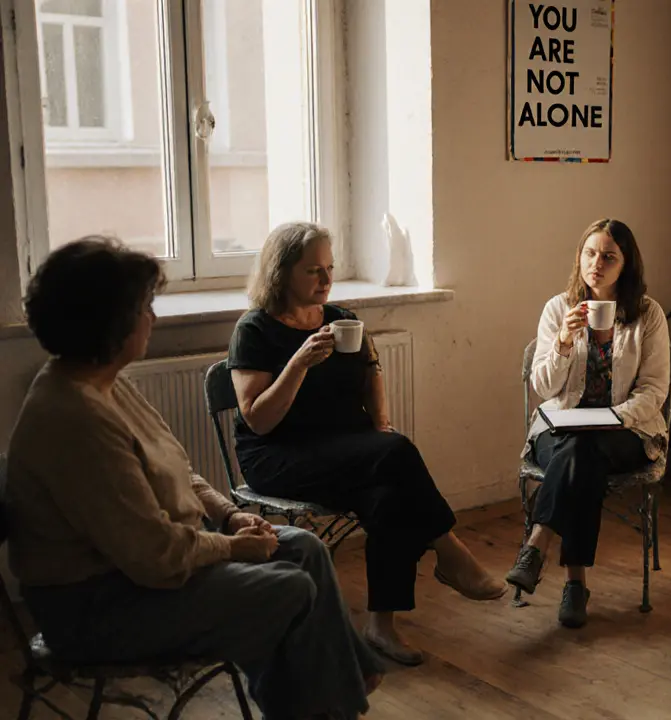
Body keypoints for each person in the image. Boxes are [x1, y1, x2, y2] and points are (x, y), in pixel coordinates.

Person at [6, 238, 383, 720]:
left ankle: (333, 696)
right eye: (145, 307)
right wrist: (230, 547)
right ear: (111, 321)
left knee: (302, 549)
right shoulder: (75, 419)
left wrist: (230, 515)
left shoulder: (106, 382)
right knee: (287, 589)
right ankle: (334, 697)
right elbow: (157, 557)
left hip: (140, 570)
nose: (153, 319)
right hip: (98, 605)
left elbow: (180, 470)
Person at [228, 222, 504, 667]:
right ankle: (451, 551)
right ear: (281, 273)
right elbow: (258, 420)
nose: (325, 280)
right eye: (313, 270)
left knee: (389, 495)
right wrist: (298, 363)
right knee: (395, 452)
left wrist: (380, 422)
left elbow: (371, 367)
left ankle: (381, 627)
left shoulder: (339, 320)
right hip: (279, 456)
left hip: (342, 448)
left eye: (330, 268)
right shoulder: (255, 329)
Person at [504, 218, 670, 628]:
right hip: (561, 431)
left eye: (609, 256)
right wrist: (562, 341)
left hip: (627, 432)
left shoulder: (648, 315)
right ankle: (574, 586)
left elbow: (653, 390)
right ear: (579, 257)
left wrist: (614, 418)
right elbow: (544, 389)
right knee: (581, 452)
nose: (597, 263)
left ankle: (538, 544)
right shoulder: (558, 308)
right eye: (590, 253)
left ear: (625, 265)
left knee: (585, 450)